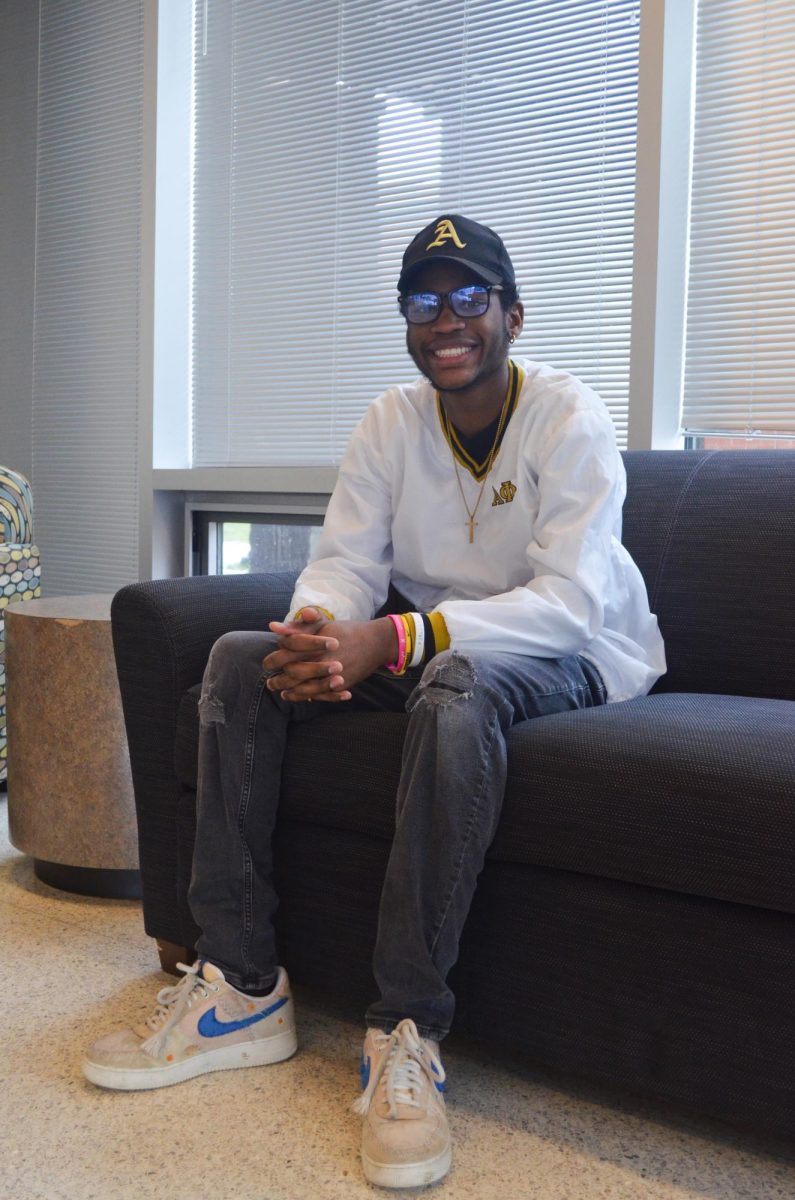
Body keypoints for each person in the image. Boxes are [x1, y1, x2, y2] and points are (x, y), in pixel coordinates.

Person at [83, 215, 665, 1189]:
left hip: (578, 652)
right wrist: (316, 633)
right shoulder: (391, 420)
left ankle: (406, 1028)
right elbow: (346, 566)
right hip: (438, 639)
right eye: (423, 300)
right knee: (239, 662)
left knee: (451, 689)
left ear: (512, 316)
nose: (446, 319)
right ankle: (240, 984)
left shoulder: (570, 416)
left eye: (469, 296)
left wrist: (392, 638)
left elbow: (568, 608)